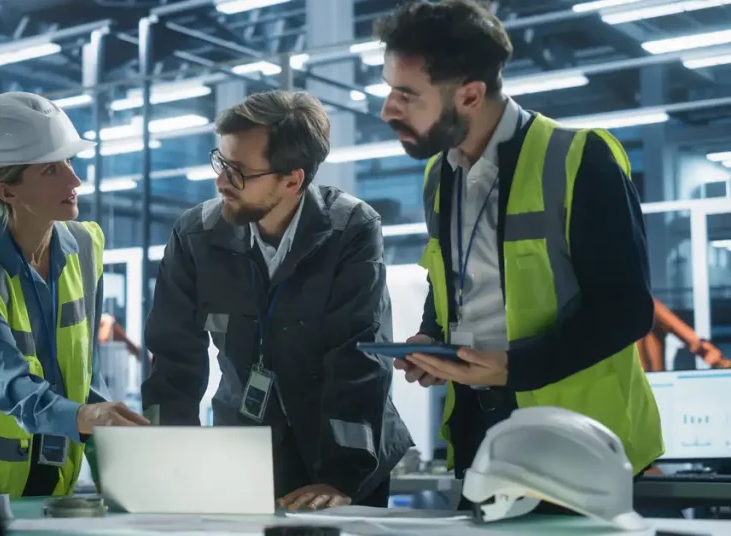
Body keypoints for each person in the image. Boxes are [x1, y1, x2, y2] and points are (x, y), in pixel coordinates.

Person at [373, 0, 663, 505]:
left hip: (580, 447)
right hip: (478, 435)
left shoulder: (580, 159)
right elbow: (452, 276)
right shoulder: (439, 175)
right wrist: (432, 337)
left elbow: (627, 309)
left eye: (406, 94)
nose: (387, 109)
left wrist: (514, 366)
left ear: (469, 94)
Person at [141, 90, 413, 510]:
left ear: (292, 180)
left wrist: (341, 477)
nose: (220, 182)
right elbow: (174, 356)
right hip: (247, 451)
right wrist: (170, 460)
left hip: (345, 454)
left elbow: (358, 355)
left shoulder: (351, 230)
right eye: (221, 162)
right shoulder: (195, 236)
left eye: (239, 172)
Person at [0, 92, 149, 498]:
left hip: (50, 476)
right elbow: (13, 389)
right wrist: (91, 417)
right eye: (51, 170)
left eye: (70, 162)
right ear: (7, 192)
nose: (74, 181)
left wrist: (117, 468)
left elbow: (84, 373)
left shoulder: (86, 247)